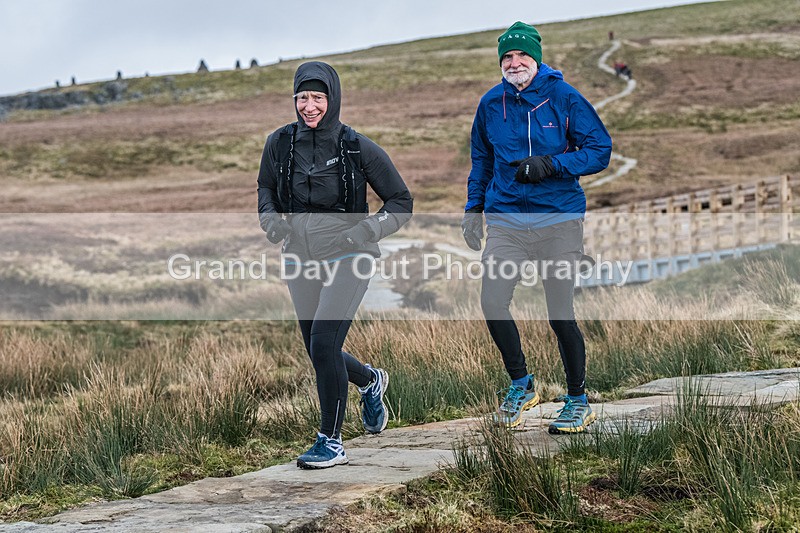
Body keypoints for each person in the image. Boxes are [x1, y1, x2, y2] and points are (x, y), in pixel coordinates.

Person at [257, 61, 413, 468]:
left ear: (333, 99)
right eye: (302, 98)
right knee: (316, 347)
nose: (309, 106)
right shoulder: (279, 143)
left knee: (325, 343)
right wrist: (270, 220)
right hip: (300, 256)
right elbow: (266, 188)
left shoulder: (356, 146)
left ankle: (331, 441)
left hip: (350, 254)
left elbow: (401, 201)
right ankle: (370, 380)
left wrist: (366, 232)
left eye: (318, 98)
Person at [462, 22, 611, 433]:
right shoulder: (491, 104)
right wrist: (473, 209)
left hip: (558, 217)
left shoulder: (563, 97)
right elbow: (482, 162)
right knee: (493, 301)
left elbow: (600, 150)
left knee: (559, 311)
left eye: (521, 56)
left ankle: (578, 399)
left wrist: (552, 165)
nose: (513, 63)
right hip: (507, 218)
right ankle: (521, 384)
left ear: (536, 58)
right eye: (506, 57)